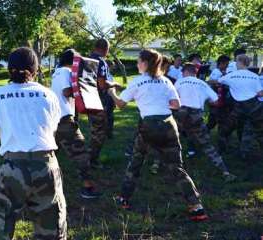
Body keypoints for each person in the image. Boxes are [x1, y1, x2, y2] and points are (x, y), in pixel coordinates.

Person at [108, 49, 208, 222]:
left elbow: (120, 104)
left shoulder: (137, 81)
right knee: (177, 167)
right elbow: (176, 105)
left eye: (139, 61)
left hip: (148, 125)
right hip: (169, 124)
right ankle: (196, 207)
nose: (137, 64)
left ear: (145, 63)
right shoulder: (166, 81)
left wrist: (111, 91)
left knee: (136, 163)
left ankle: (124, 199)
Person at [0, 47, 67, 240]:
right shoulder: (49, 95)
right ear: (35, 70)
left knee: (0, 227)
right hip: (46, 165)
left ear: (9, 69)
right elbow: (52, 129)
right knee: (52, 229)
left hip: (12, 168)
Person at [51, 49, 102, 199]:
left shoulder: (59, 72)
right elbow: (67, 92)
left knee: (50, 153)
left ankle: (35, 184)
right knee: (80, 153)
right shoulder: (64, 72)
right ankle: (87, 187)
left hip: (57, 119)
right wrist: (86, 93)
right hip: (64, 120)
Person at [173, 63, 236, 182]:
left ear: (185, 72)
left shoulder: (179, 82)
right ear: (195, 72)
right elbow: (216, 101)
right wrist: (206, 101)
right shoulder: (203, 84)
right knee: (207, 145)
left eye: (182, 72)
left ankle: (165, 167)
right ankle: (225, 172)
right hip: (196, 116)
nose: (181, 74)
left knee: (172, 140)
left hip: (181, 114)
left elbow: (173, 99)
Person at [209, 54, 263, 157]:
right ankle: (246, 153)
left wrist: (209, 81)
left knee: (225, 130)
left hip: (238, 108)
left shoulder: (232, 75)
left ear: (239, 62)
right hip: (254, 107)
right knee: (259, 131)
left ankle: (221, 152)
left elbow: (215, 81)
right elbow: (260, 93)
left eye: (236, 61)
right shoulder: (255, 76)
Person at [88, 39, 121, 168]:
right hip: (99, 101)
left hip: (89, 98)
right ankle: (92, 160)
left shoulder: (87, 59)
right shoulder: (100, 61)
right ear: (106, 48)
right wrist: (115, 84)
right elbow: (102, 84)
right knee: (100, 133)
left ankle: (90, 157)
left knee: (94, 130)